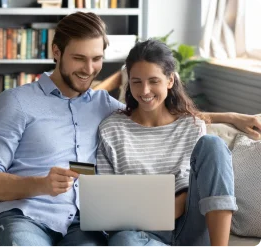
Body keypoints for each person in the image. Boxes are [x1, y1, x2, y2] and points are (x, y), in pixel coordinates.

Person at [0, 11, 261, 247]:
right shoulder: (17, 102)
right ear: (56, 52)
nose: (89, 69)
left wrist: (232, 117)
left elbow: (158, 111)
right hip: (25, 219)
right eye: (79, 58)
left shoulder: (102, 104)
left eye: (96, 59)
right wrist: (39, 184)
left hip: (80, 228)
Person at [96, 39, 238, 247]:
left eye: (153, 81)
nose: (145, 91)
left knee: (213, 144)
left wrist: (174, 205)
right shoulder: (111, 129)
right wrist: (162, 209)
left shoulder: (192, 125)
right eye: (137, 81)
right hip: (140, 232)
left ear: (170, 80)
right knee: (123, 241)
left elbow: (197, 185)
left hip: (192, 224)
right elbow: (107, 203)